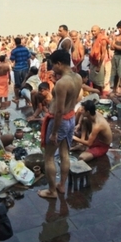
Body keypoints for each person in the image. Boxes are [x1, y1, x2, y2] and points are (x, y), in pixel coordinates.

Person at [38, 50, 82, 199]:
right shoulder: (78, 77)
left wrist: (54, 132)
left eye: (53, 65)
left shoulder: (62, 83)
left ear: (59, 64)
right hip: (71, 118)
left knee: (49, 157)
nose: (52, 68)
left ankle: (52, 191)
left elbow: (59, 111)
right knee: (64, 153)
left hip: (61, 120)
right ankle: (62, 185)